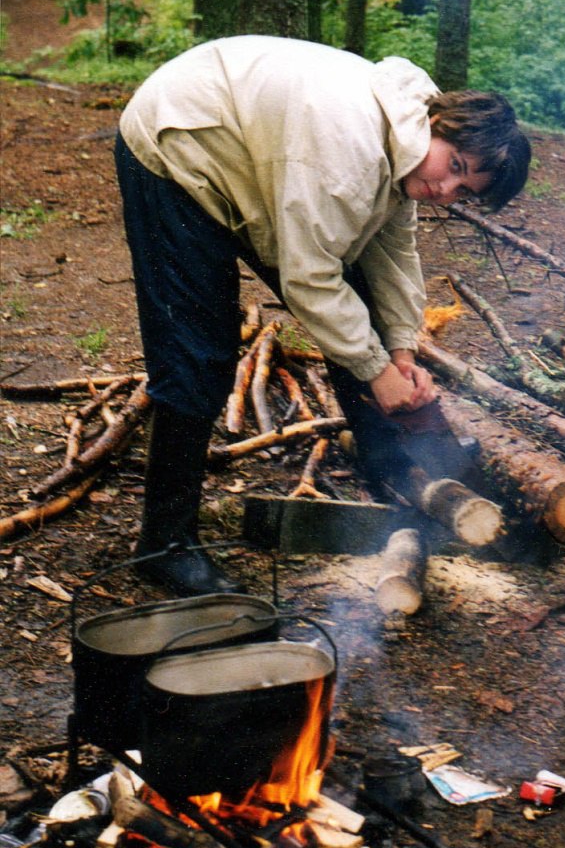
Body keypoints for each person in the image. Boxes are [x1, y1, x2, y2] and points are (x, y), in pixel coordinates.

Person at [115, 36, 530, 596]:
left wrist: (402, 351)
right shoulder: (348, 147)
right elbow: (308, 277)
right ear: (439, 123)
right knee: (199, 353)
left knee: (363, 308)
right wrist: (377, 371)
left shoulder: (404, 137)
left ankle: (391, 466)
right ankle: (165, 546)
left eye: (463, 190)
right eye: (453, 166)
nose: (444, 189)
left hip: (255, 153)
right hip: (178, 145)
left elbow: (393, 252)